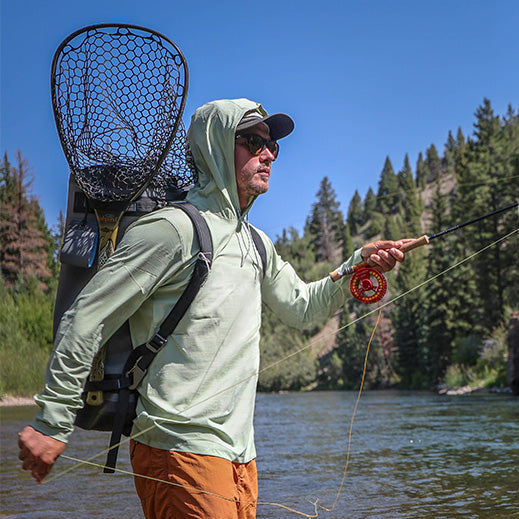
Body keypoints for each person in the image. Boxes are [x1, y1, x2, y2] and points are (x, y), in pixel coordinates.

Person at [18, 98, 408, 519]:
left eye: (273, 145)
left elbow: (303, 308)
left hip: (240, 456)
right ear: (217, 145)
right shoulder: (172, 230)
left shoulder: (256, 242)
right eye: (253, 141)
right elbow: (85, 319)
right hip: (177, 449)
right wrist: (52, 422)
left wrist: (357, 265)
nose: (269, 153)